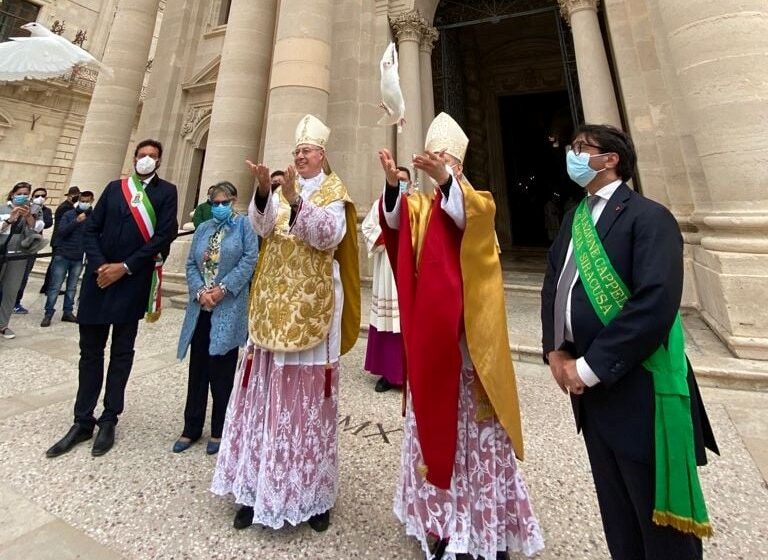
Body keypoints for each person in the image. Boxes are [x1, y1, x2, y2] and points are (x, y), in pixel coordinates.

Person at [541, 124, 719, 559]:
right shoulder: (574, 218)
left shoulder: (649, 216)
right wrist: (556, 349)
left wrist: (586, 368)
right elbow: (554, 286)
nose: (573, 156)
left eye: (582, 149)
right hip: (593, 398)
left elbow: (654, 305)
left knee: (658, 521)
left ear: (611, 158)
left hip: (640, 389)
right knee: (617, 513)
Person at [379, 112, 544, 560]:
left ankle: (485, 525)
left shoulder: (477, 201)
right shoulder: (419, 206)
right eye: (431, 160)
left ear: (458, 165)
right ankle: (439, 521)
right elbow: (393, 226)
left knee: (476, 440)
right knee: (434, 433)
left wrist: (448, 180)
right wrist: (394, 187)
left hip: (470, 348)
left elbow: (469, 218)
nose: (435, 166)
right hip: (434, 345)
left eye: (444, 160)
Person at [211, 114, 360, 533]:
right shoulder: (278, 191)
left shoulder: (334, 192)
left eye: (306, 150)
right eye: (297, 150)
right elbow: (260, 228)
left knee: (306, 407)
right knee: (262, 402)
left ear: (322, 155)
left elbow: (329, 236)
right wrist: (263, 192)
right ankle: (253, 490)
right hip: (271, 306)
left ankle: (312, 496)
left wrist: (297, 201)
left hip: (311, 308)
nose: (300, 155)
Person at [46, 139, 178, 458]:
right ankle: (82, 420)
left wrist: (126, 267)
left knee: (121, 354)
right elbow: (92, 228)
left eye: (152, 157)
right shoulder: (115, 188)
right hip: (99, 279)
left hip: (131, 281)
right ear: (134, 157)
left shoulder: (166, 192)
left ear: (159, 162)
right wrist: (101, 264)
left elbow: (164, 235)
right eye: (142, 155)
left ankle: (109, 418)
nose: (146, 160)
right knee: (89, 353)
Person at [174, 181, 258, 456]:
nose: (219, 207)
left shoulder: (244, 226)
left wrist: (223, 290)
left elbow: (249, 259)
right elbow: (190, 264)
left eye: (224, 202)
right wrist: (200, 292)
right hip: (201, 308)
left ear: (234, 200)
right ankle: (191, 427)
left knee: (222, 372)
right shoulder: (203, 228)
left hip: (227, 306)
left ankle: (221, 429)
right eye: (215, 203)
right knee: (197, 369)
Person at [360, 165, 411, 392]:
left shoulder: (418, 204)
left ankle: (413, 374)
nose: (400, 183)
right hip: (388, 268)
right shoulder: (380, 203)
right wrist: (389, 235)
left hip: (411, 271)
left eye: (404, 180)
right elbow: (368, 228)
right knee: (389, 321)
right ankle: (390, 374)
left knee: (410, 321)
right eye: (396, 179)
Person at [0, 182, 47, 339]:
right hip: (2, 251)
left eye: (26, 193)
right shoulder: (2, 208)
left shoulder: (34, 210)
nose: (23, 196)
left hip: (19, 254)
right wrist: (10, 219)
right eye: (20, 193)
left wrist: (28, 217)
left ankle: (3, 325)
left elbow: (38, 229)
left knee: (11, 290)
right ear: (13, 194)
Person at [41, 191, 95, 327]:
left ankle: (68, 312)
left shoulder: (94, 217)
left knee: (72, 287)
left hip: (79, 257)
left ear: (92, 201)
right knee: (55, 286)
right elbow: (62, 231)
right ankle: (48, 313)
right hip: (63, 254)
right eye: (82, 200)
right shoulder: (69, 214)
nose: (84, 203)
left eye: (87, 201)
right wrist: (76, 222)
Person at [13, 186, 53, 313]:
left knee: (23, 276)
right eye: (37, 196)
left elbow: (44, 224)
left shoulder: (44, 210)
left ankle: (16, 302)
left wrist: (32, 214)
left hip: (30, 247)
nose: (39, 198)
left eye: (42, 196)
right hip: (14, 246)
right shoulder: (17, 207)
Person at [40, 185, 81, 295]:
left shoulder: (67, 206)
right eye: (74, 196)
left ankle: (47, 287)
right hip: (60, 240)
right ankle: (49, 288)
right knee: (55, 266)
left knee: (54, 265)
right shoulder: (66, 207)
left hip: (59, 239)